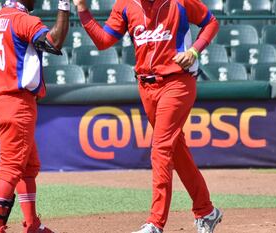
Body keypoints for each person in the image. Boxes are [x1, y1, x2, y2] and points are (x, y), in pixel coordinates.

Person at [72, 0, 222, 232]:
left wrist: (194, 50)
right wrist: (83, 10)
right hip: (146, 87)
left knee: (161, 149)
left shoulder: (179, 2)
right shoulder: (125, 5)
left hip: (177, 82)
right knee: (177, 150)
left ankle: (155, 222)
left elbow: (210, 22)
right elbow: (103, 41)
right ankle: (206, 210)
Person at [0, 0, 70, 232]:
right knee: (10, 167)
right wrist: (64, 7)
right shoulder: (23, 20)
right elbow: (55, 41)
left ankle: (32, 225)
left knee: (29, 165)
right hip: (16, 104)